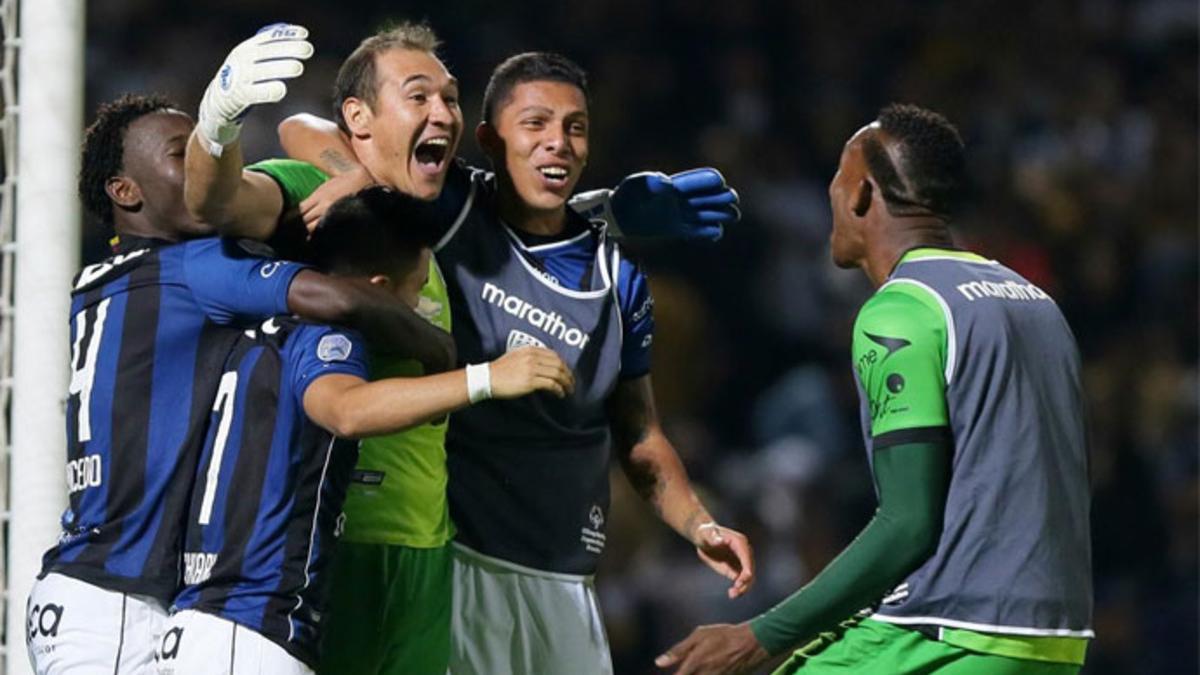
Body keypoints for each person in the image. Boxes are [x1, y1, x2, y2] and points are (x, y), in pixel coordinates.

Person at [189, 23, 744, 675]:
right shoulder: (397, 209)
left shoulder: (591, 265)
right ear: (488, 141)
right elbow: (258, 164)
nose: (439, 112)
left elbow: (638, 430)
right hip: (385, 554)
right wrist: (243, 130)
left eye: (449, 98)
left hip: (512, 572)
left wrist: (700, 522)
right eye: (418, 95)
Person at [655, 104, 1093, 675]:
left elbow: (908, 523)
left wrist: (759, 635)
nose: (832, 198)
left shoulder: (902, 309)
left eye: (837, 181)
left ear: (861, 193)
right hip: (1054, 640)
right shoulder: (1034, 300)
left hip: (949, 630)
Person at [25, 92, 452, 674]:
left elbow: (299, 127)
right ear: (125, 191)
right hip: (122, 604)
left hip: (103, 592)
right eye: (184, 154)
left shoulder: (102, 280)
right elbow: (339, 296)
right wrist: (445, 353)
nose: (204, 167)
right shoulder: (196, 268)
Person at [157, 187, 574, 675]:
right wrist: (486, 377)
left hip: (205, 619)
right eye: (418, 290)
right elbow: (347, 410)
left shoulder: (255, 330)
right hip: (248, 630)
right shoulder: (323, 338)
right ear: (376, 288)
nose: (423, 305)